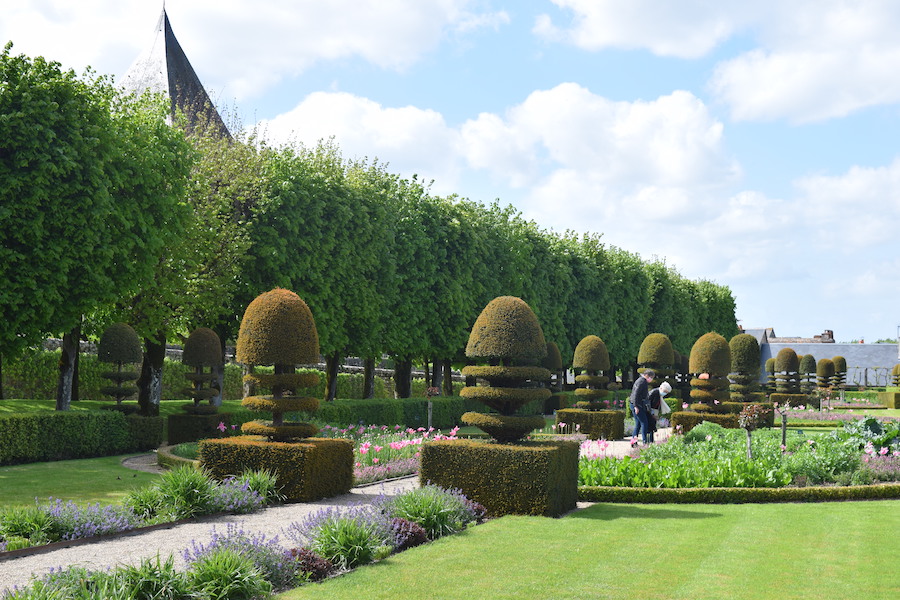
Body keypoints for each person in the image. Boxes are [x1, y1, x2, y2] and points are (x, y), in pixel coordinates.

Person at [630, 369, 654, 445]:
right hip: (638, 405)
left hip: (635, 404)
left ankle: (634, 442)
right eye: (651, 377)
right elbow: (635, 394)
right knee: (644, 423)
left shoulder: (640, 380)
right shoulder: (642, 381)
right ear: (647, 375)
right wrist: (636, 406)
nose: (651, 379)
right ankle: (645, 442)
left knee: (638, 423)